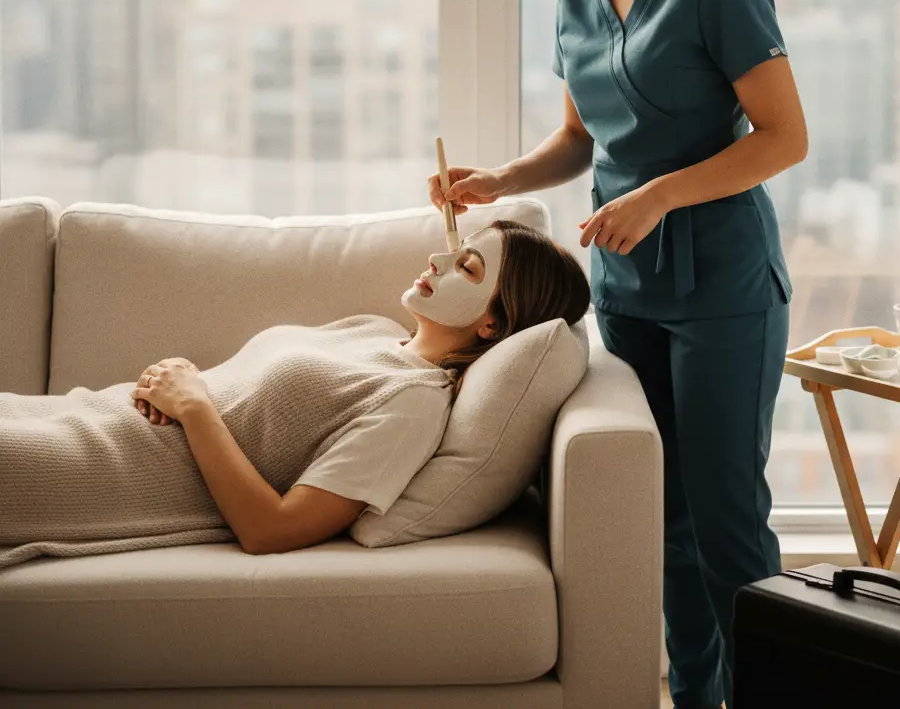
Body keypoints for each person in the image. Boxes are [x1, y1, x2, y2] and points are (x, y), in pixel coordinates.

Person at [428, 0, 808, 709]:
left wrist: (661, 194)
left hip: (723, 287)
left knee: (728, 524)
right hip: (628, 289)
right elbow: (579, 139)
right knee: (665, 522)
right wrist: (501, 179)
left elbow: (784, 138)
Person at [0, 220, 590, 568]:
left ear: (492, 324)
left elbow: (273, 530)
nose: (438, 259)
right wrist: (183, 378)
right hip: (72, 414)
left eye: (469, 267)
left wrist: (195, 406)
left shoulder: (413, 405)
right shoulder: (373, 331)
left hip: (85, 469)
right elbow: (248, 403)